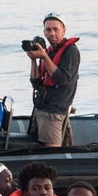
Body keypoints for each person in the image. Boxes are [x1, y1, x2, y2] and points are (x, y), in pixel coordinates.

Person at [26, 12, 79, 146]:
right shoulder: (49, 52)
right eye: (48, 29)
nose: (52, 33)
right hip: (41, 108)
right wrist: (33, 60)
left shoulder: (71, 51)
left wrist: (43, 56)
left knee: (51, 151)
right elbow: (36, 83)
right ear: (44, 31)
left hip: (54, 111)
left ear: (64, 30)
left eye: (56, 29)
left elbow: (61, 79)